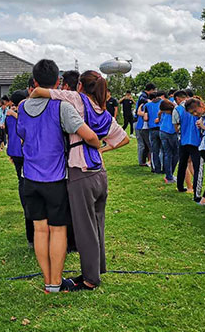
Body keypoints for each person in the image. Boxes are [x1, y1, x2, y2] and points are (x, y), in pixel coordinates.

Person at [32, 70, 129, 291]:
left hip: (80, 172)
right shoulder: (104, 114)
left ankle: (90, 280)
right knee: (97, 224)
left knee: (84, 227)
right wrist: (104, 148)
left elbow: (38, 91)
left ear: (80, 87)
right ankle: (95, 270)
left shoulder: (77, 99)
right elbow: (123, 138)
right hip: (99, 174)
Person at [16, 59, 99, 293]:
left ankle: (47, 281)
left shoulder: (22, 107)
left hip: (29, 179)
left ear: (34, 82)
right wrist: (96, 144)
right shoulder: (61, 106)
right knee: (58, 229)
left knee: (40, 230)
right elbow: (88, 134)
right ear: (57, 82)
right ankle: (55, 281)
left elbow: (22, 133)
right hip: (55, 180)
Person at [5, 90, 33, 247]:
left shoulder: (9, 114)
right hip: (23, 151)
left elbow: (9, 133)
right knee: (24, 180)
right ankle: (27, 207)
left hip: (15, 151)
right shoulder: (25, 112)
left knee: (20, 179)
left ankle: (26, 205)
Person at [173, 90, 203, 201]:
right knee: (197, 167)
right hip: (196, 141)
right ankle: (197, 193)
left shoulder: (177, 109)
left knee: (182, 164)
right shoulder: (198, 107)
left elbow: (176, 127)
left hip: (183, 139)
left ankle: (180, 186)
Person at [157, 99, 179, 183]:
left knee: (167, 154)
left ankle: (169, 175)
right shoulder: (175, 110)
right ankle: (170, 175)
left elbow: (159, 114)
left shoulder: (163, 111)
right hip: (171, 132)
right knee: (175, 154)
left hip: (162, 131)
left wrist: (159, 118)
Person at [135, 83, 156, 167]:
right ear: (151, 90)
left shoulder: (142, 97)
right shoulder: (144, 98)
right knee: (145, 145)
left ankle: (143, 161)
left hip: (139, 124)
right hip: (141, 124)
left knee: (143, 145)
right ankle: (144, 162)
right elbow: (140, 112)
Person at [144, 92, 163, 174]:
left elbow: (145, 118)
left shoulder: (147, 106)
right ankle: (165, 168)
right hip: (163, 129)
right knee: (164, 150)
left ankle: (156, 169)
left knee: (154, 150)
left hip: (152, 129)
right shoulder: (163, 103)